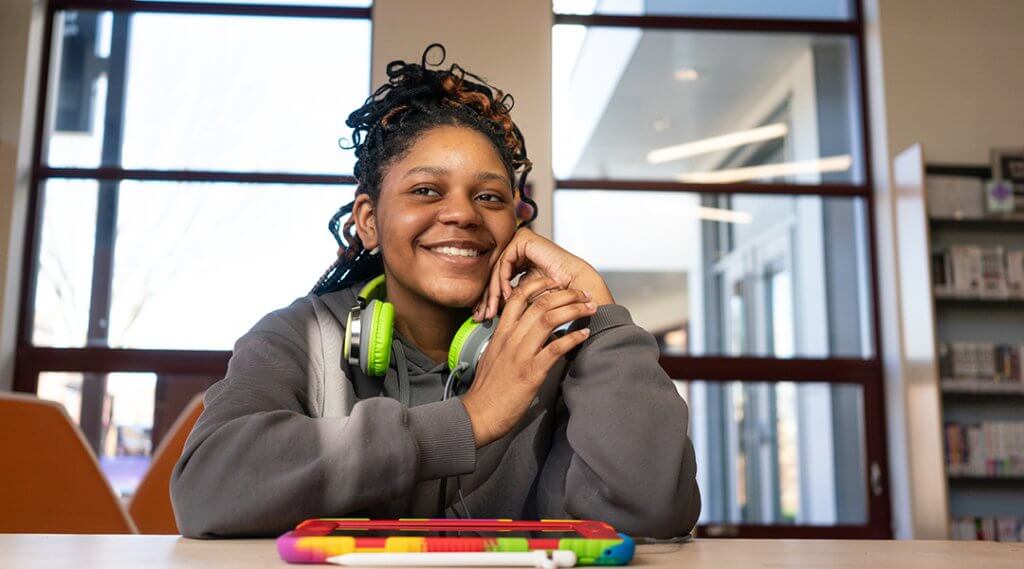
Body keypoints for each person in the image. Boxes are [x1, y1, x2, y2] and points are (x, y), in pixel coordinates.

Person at [170, 43, 700, 539]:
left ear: (516, 224)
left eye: (489, 197)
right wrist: (469, 420)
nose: (462, 214)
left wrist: (600, 311)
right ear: (369, 221)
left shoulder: (558, 345)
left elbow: (651, 510)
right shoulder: (301, 337)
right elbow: (206, 489)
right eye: (426, 190)